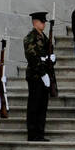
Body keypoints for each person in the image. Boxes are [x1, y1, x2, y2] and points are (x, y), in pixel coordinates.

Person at [23, 11, 53, 141]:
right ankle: (33, 133)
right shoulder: (30, 38)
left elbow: (48, 53)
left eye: (45, 21)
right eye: (42, 21)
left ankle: (40, 132)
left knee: (42, 105)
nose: (44, 23)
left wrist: (52, 59)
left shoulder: (44, 37)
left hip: (45, 75)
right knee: (34, 105)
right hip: (36, 76)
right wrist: (42, 73)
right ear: (35, 22)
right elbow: (32, 58)